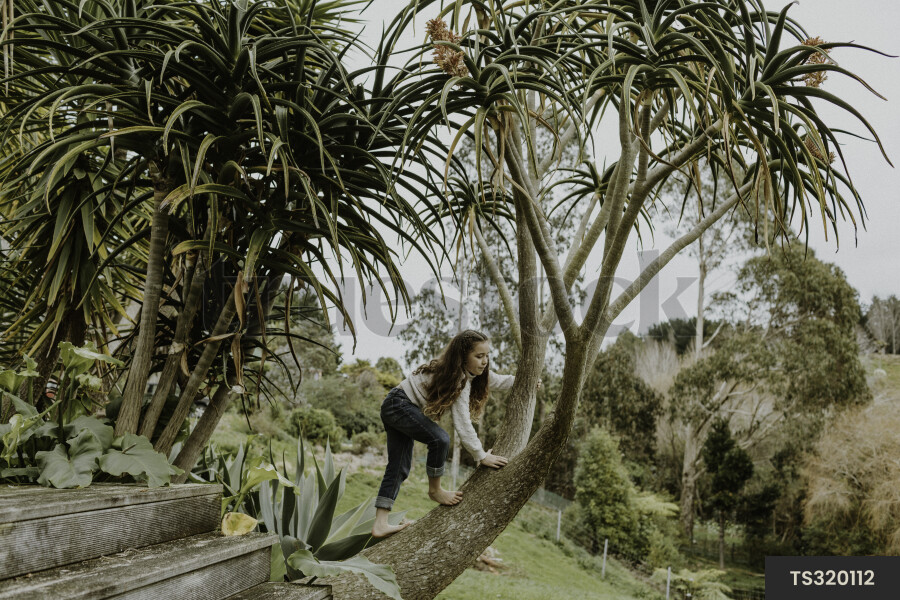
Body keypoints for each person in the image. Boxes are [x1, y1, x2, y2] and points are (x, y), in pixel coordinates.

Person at [371, 329, 540, 538]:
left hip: (396, 406)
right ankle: (435, 491)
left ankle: (380, 524)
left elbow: (496, 381)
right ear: (462, 357)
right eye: (479, 356)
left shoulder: (469, 375)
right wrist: (481, 455)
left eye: (487, 355)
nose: (485, 361)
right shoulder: (457, 378)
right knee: (440, 439)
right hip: (399, 405)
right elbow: (463, 424)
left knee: (398, 467)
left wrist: (526, 381)